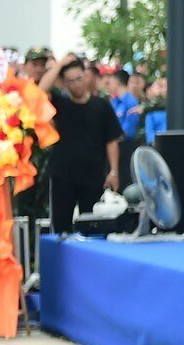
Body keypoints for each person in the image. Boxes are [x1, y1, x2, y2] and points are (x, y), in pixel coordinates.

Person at [39, 54, 123, 234]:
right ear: (63, 83)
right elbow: (41, 89)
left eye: (79, 78)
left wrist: (114, 171)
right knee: (60, 228)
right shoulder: (60, 103)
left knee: (92, 227)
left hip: (93, 175)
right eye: (70, 81)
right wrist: (60, 63)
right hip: (63, 176)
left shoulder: (102, 106)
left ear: (86, 76)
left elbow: (112, 141)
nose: (76, 84)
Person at [106, 68, 142, 136]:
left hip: (125, 143)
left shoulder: (131, 102)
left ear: (117, 83)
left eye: (110, 83)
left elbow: (129, 130)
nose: (108, 86)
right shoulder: (114, 101)